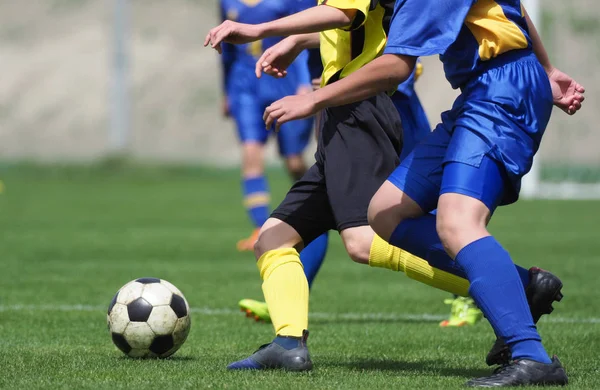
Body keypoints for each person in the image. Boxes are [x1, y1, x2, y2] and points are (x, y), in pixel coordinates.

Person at [250, 0, 584, 386]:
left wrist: (313, 97)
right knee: (385, 212)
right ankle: (521, 286)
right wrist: (547, 69)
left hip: (501, 91)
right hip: (480, 93)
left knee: (457, 224)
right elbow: (515, 9)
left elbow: (396, 64)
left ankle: (531, 355)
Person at [237, 55, 483, 328]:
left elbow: (356, 22)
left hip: (385, 109)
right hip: (342, 115)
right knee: (312, 215)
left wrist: (274, 33)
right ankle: (288, 301)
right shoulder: (319, 25)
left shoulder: (348, 19)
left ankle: (487, 288)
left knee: (416, 212)